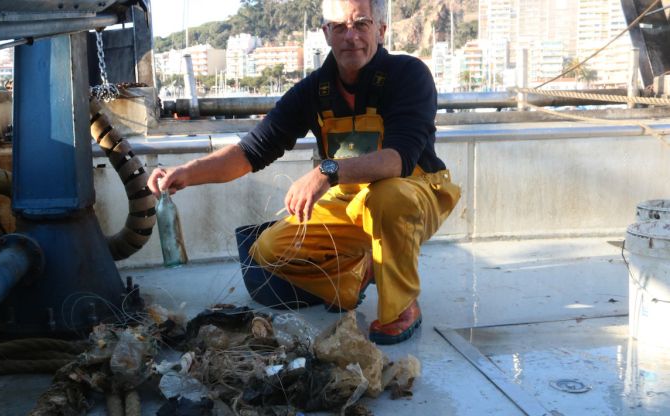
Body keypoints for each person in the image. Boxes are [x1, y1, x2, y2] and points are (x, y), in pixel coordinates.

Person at [147, 0, 460, 345]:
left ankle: (401, 308)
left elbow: (399, 159)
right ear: (326, 34)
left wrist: (327, 171)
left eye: (361, 24)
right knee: (268, 250)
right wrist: (186, 173)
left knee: (387, 197)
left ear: (381, 30)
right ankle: (355, 277)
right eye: (339, 27)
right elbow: (250, 151)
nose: (350, 36)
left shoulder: (409, 75)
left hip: (415, 193)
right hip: (349, 200)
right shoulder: (313, 91)